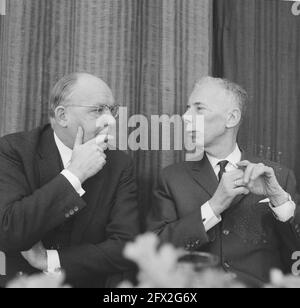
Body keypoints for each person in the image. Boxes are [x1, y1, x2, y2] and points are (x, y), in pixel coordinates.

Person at [148, 77, 300, 286]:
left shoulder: (280, 177)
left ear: (231, 118)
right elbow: (155, 252)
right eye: (187, 108)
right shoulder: (171, 179)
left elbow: (296, 256)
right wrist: (213, 207)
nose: (185, 117)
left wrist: (280, 202)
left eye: (199, 109)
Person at [0, 73, 140, 288]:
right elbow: (8, 230)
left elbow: (125, 247)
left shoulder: (120, 165)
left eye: (112, 110)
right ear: (62, 116)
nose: (111, 121)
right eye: (98, 110)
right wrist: (75, 175)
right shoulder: (13, 150)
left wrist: (50, 260)